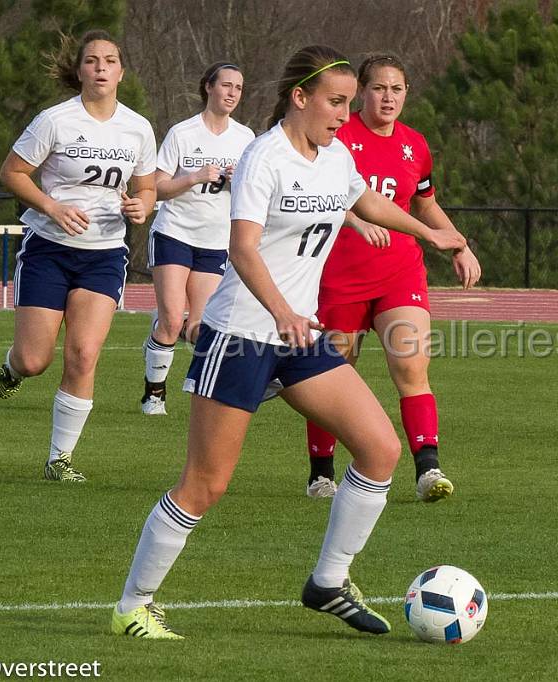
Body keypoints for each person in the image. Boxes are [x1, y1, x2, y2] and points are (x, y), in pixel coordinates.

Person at [110, 45, 466, 639]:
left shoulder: (334, 157)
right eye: (335, 102)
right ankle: (132, 606)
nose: (344, 114)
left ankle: (329, 581)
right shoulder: (264, 157)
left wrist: (432, 233)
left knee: (379, 450)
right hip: (242, 334)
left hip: (298, 337)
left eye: (349, 103)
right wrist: (281, 312)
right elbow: (242, 248)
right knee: (207, 484)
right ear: (299, 98)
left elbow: (369, 201)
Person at [302, 54, 482, 501]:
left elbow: (424, 204)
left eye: (397, 89)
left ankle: (428, 470)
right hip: (339, 274)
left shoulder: (415, 145)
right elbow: (317, 193)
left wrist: (458, 243)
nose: (388, 97)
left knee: (411, 362)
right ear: (362, 91)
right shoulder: (336, 137)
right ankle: (321, 473)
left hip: (400, 271)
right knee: (333, 373)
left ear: (407, 94)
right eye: (379, 88)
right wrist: (356, 222)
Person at [0, 30, 157, 482]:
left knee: (84, 354)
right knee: (33, 361)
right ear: (80, 71)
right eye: (91, 61)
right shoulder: (55, 120)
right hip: (48, 249)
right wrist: (52, 206)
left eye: (110, 60)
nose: (101, 67)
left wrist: (142, 205)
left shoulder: (138, 127)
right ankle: (11, 366)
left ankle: (58, 459)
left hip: (104, 254)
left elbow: (146, 186)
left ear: (121, 71)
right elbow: (12, 172)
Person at [140, 62, 255, 415]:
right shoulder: (182, 133)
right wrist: (192, 177)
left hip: (216, 239)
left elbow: (253, 193)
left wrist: (239, 181)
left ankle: (196, 387)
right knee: (173, 319)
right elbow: (156, 187)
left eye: (238, 87)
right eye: (226, 85)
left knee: (198, 326)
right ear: (208, 87)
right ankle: (154, 393)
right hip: (175, 232)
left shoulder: (246, 138)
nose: (232, 93)